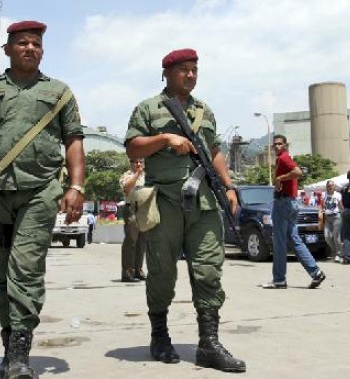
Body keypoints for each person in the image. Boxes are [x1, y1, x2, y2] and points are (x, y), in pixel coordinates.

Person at [0, 20, 85, 379]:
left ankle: (19, 355)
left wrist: (76, 186)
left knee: (24, 271)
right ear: (7, 50)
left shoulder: (59, 92)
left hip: (40, 192)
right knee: (0, 273)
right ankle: (10, 340)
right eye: (23, 43)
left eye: (36, 44)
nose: (30, 48)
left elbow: (74, 140)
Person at [124, 48, 245, 372]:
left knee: (208, 270)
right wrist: (164, 139)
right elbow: (132, 146)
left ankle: (209, 343)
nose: (190, 75)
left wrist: (229, 186)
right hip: (165, 203)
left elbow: (215, 151)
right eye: (184, 70)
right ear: (167, 73)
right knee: (162, 273)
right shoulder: (149, 108)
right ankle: (159, 335)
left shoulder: (205, 110)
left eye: (194, 70)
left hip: (203, 202)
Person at [262, 134, 326, 289]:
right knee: (295, 240)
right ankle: (316, 272)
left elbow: (298, 172)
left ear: (285, 145)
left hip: (283, 203)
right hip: (291, 203)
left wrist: (280, 178)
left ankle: (279, 280)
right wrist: (280, 181)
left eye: (280, 144)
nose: (277, 146)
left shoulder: (283, 158)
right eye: (275, 144)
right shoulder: (283, 159)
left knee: (279, 242)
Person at [119, 158, 147, 282]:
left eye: (141, 162)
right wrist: (137, 174)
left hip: (144, 210)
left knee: (142, 242)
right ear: (131, 163)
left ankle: (138, 270)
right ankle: (127, 272)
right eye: (136, 162)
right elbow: (126, 188)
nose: (139, 164)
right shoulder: (127, 175)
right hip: (132, 208)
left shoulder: (147, 176)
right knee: (131, 241)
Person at [322, 180, 343, 262]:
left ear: (334, 187)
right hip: (327, 217)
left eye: (331, 185)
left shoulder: (338, 195)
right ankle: (334, 251)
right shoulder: (324, 195)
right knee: (327, 236)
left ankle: (338, 254)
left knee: (336, 236)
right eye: (328, 186)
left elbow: (341, 206)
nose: (330, 187)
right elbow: (322, 205)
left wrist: (343, 214)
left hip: (336, 216)